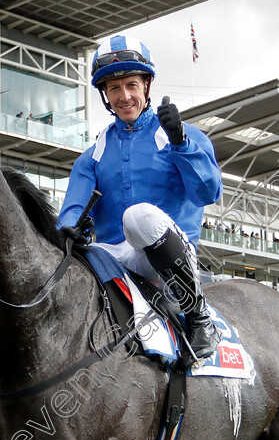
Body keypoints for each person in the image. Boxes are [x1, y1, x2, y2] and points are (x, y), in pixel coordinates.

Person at [57, 35, 222, 360]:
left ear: (147, 86)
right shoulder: (92, 155)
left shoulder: (182, 136)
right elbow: (71, 213)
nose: (124, 96)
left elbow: (208, 193)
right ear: (105, 95)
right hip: (113, 258)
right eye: (114, 89)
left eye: (131, 85)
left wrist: (182, 144)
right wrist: (69, 230)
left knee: (138, 217)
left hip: (164, 254)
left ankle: (199, 314)